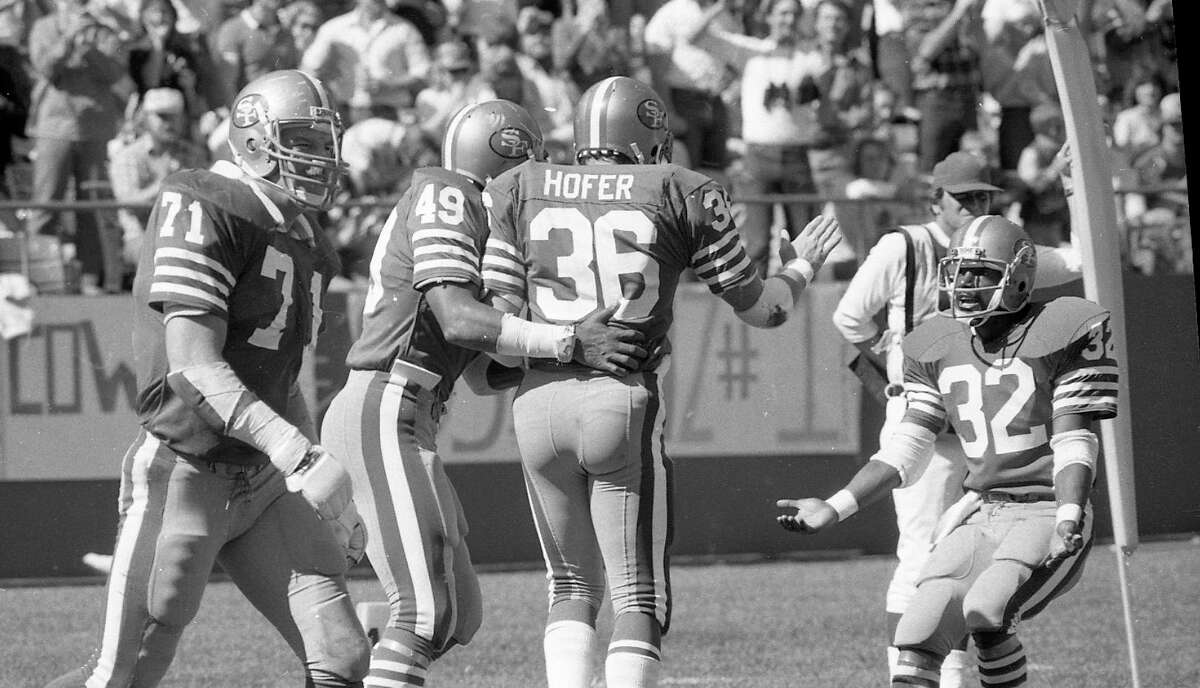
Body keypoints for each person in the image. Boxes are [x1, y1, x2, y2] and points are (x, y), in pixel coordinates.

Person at [480, 76, 842, 688]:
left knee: (569, 586)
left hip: (536, 402)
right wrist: (801, 265)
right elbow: (762, 309)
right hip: (619, 401)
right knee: (638, 597)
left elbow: (499, 314)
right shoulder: (682, 188)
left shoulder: (519, 184)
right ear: (648, 134)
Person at [44, 70, 372, 688]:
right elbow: (194, 363)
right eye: (302, 139)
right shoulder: (207, 201)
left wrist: (315, 475)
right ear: (253, 140)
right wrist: (298, 455)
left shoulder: (308, 241)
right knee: (125, 671)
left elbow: (282, 380)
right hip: (184, 470)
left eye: (325, 140)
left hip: (266, 481)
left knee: (343, 657)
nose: (321, 157)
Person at [319, 99, 646, 688]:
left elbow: (481, 370)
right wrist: (569, 341)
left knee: (457, 616)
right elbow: (457, 319)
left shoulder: (476, 211)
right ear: (508, 159)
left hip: (413, 412)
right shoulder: (450, 192)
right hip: (383, 403)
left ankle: (357, 651)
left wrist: (575, 365)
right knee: (425, 609)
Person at [792, 214, 1118, 688]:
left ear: (1021, 278)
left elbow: (1074, 437)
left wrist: (1069, 512)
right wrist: (836, 506)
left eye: (981, 272)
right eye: (959, 271)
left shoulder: (1063, 327)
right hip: (982, 512)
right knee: (918, 630)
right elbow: (906, 448)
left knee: (986, 611)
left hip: (1047, 510)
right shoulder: (934, 342)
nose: (965, 284)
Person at [831, 150, 1083, 688]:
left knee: (973, 571)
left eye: (982, 196)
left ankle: (957, 677)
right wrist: (892, 389)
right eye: (963, 198)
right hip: (926, 417)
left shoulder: (1007, 247)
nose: (974, 206)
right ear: (935, 200)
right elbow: (849, 319)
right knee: (922, 554)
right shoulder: (904, 245)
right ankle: (918, 675)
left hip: (985, 429)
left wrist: (1074, 184)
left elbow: (1083, 258)